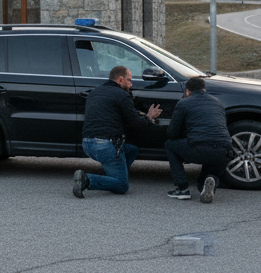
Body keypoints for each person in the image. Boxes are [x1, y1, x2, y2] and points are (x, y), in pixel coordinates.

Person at [73, 65, 162, 198]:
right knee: (122, 186)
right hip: (106, 146)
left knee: (132, 150)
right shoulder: (122, 95)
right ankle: (88, 180)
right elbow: (136, 123)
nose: (131, 84)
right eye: (129, 80)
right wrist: (149, 117)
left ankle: (113, 176)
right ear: (120, 80)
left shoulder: (94, 92)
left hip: (87, 144)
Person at [163, 77, 231, 204]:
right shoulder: (218, 103)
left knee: (169, 145)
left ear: (188, 91)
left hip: (199, 148)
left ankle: (182, 188)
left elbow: (172, 133)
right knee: (207, 175)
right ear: (204, 89)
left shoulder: (184, 103)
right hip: (223, 150)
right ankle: (210, 182)